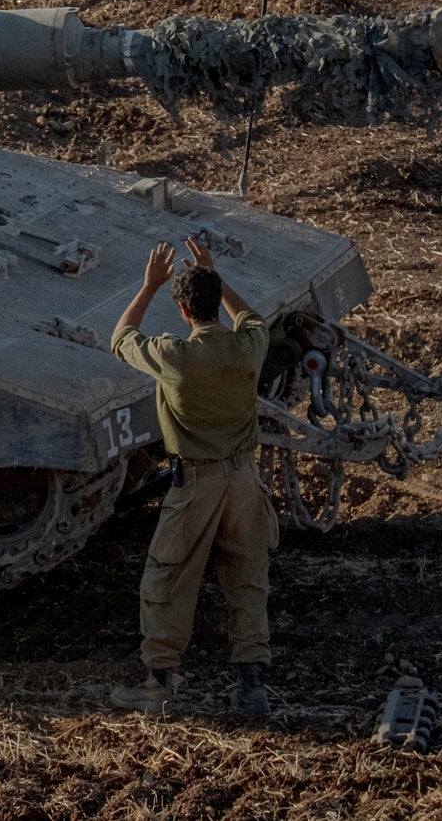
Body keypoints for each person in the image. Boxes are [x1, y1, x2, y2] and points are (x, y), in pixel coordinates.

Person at [107, 236, 278, 720]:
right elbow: (253, 320)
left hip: (196, 482)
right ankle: (252, 688)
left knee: (168, 577)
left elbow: (120, 337)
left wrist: (148, 287)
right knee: (248, 578)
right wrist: (217, 278)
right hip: (245, 482)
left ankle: (159, 684)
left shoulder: (174, 357)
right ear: (213, 304)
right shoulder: (247, 348)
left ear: (183, 312)